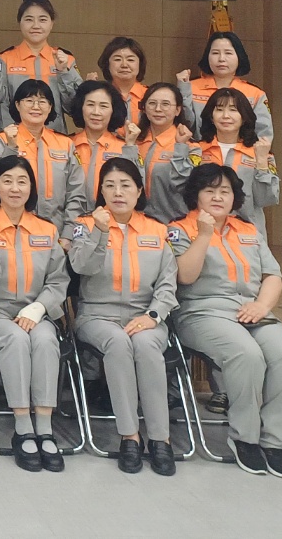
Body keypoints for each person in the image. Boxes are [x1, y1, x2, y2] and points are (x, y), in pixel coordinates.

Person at [168, 163, 282, 479]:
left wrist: (261, 305)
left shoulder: (248, 230)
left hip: (253, 311)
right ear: (196, 195)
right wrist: (204, 235)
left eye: (224, 191)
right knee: (246, 354)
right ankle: (246, 438)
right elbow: (185, 276)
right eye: (210, 190)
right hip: (202, 312)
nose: (218, 197)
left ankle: (274, 442)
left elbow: (273, 275)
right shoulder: (179, 229)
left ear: (234, 197)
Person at [67, 157, 179, 476]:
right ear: (101, 191)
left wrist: (153, 315)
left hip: (146, 316)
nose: (118, 192)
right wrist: (100, 233)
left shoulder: (157, 230)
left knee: (145, 345)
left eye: (125, 185)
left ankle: (160, 438)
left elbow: (168, 284)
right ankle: (130, 436)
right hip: (96, 316)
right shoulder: (84, 225)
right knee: (117, 342)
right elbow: (81, 267)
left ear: (139, 191)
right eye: (110, 185)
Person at [0, 155, 70, 472]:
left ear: (31, 188)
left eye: (22, 181)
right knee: (15, 338)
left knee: (46, 341)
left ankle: (45, 427)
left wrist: (38, 308)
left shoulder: (46, 229)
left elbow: (58, 281)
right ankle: (23, 426)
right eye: (7, 181)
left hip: (35, 312)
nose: (15, 188)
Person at [0, 80, 88, 235]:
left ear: (50, 107)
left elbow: (76, 192)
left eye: (42, 101)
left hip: (57, 231)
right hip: (12, 231)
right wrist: (10, 147)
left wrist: (68, 234)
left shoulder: (65, 144)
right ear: (17, 105)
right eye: (29, 101)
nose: (36, 107)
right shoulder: (2, 139)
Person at [183, 88, 278, 233]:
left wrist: (261, 162)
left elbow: (266, 199)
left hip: (247, 235)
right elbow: (184, 193)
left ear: (244, 117)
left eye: (233, 110)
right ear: (211, 116)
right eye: (219, 109)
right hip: (199, 231)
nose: (226, 116)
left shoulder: (261, 153)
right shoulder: (196, 150)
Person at [0, 0, 81, 132]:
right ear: (20, 22)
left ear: (52, 23)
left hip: (54, 140)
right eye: (29, 19)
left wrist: (64, 72)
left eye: (43, 20)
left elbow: (74, 107)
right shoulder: (5, 59)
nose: (36, 25)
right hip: (14, 139)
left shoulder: (65, 59)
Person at [177, 32, 274, 141]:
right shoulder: (190, 87)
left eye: (228, 53)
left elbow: (264, 135)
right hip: (199, 150)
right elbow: (184, 125)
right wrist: (183, 89)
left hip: (242, 151)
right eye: (215, 53)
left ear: (239, 57)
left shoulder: (255, 93)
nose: (221, 58)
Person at [70, 80, 142, 202]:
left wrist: (130, 146)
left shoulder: (125, 148)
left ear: (113, 110)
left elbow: (137, 185)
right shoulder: (66, 145)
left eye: (103, 106)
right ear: (81, 107)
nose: (96, 112)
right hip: (73, 213)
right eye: (90, 105)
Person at [136, 82, 196, 223]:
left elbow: (186, 185)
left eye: (165, 104)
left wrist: (180, 147)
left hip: (175, 224)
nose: (158, 109)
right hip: (138, 224)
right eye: (152, 103)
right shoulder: (134, 142)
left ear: (177, 110)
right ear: (144, 108)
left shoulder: (190, 146)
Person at [95, 36, 148, 125]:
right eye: (117, 59)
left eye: (130, 60)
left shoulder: (150, 95)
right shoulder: (98, 94)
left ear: (140, 64)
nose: (124, 65)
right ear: (107, 64)